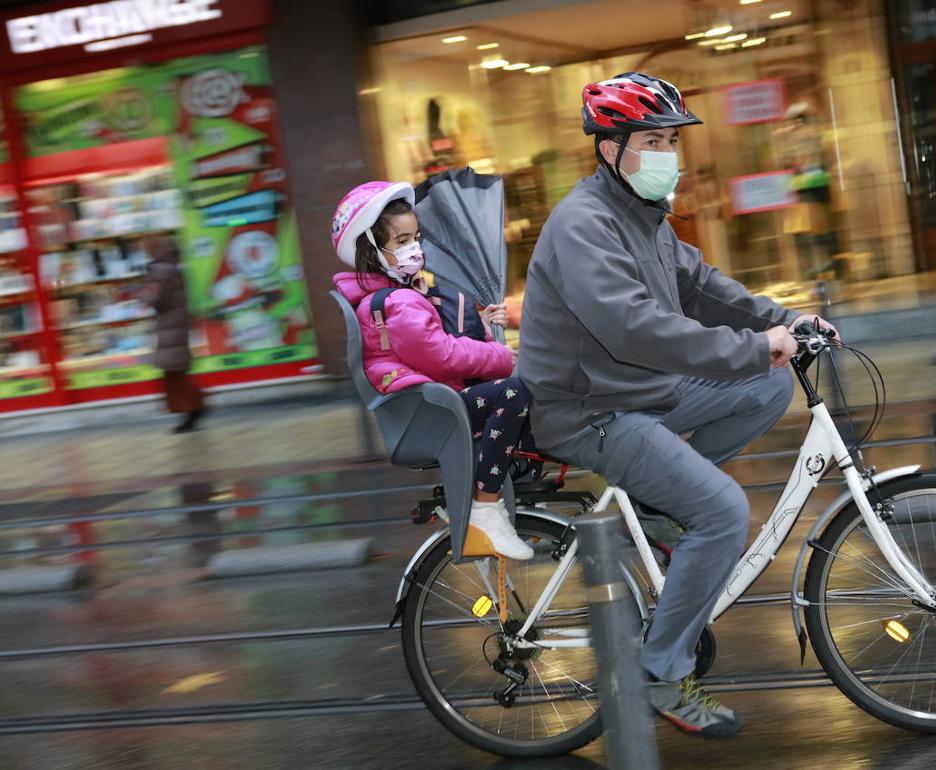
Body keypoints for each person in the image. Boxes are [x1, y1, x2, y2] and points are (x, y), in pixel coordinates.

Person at [517, 72, 839, 738]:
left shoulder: (644, 217)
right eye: (655, 140)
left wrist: (785, 320)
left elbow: (704, 287)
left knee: (768, 385)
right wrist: (755, 346)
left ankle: (658, 505)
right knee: (722, 511)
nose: (671, 154)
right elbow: (635, 328)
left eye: (672, 140)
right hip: (587, 411)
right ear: (610, 148)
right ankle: (661, 673)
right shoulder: (584, 224)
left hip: (634, 393)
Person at [331, 181, 535, 560]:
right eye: (401, 240)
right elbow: (441, 356)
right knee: (515, 392)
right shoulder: (395, 303)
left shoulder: (400, 297)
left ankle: (507, 495)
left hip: (433, 406)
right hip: (433, 413)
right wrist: (500, 356)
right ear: (370, 251)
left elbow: (435, 343)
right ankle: (487, 506)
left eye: (415, 237)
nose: (414, 248)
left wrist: (483, 327)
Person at [141, 234, 206, 433]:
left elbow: (156, 298)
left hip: (170, 328)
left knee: (174, 375)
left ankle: (194, 409)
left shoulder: (160, 270)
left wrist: (138, 292)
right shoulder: (174, 268)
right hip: (176, 326)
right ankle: (194, 410)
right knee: (176, 373)